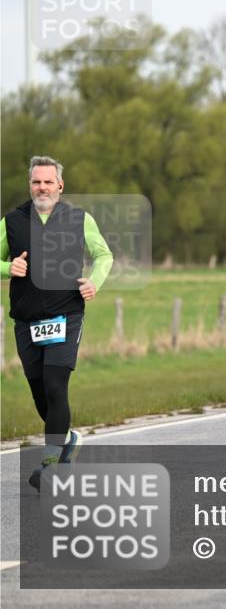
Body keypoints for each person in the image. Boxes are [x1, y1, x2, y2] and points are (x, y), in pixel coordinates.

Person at [0, 156, 113, 491]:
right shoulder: (12, 221)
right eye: (36, 182)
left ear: (60, 185)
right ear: (30, 185)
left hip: (66, 314)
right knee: (40, 394)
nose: (42, 188)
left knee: (54, 384)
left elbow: (103, 255)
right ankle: (67, 440)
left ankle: (50, 467)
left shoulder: (79, 219)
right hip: (26, 319)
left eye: (48, 182)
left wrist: (95, 282)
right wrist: (8, 268)